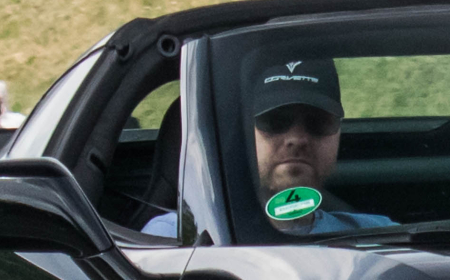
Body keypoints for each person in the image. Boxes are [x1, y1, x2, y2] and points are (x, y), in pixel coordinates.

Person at [139, 57, 393, 239]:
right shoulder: (173, 240)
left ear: (338, 133)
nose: (297, 138)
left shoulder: (381, 238)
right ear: (241, 134)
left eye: (318, 123)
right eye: (275, 121)